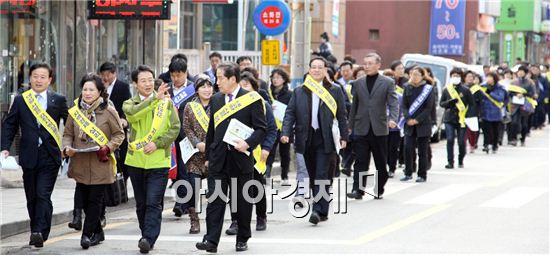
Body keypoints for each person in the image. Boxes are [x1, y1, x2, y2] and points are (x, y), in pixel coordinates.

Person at [196, 62, 266, 253]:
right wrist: (209, 156)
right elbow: (212, 130)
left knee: (242, 201)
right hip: (219, 158)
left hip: (241, 158)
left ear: (232, 79)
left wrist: (248, 144)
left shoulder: (252, 99)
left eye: (220, 78)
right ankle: (211, 240)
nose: (216, 83)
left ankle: (242, 238)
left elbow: (262, 129)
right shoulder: (217, 99)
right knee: (215, 200)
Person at [1, 62, 69, 248]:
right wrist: (5, 146)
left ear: (49, 80)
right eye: (35, 76)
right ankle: (38, 227)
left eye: (42, 77)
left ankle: (38, 232)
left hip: (50, 156)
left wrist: (68, 145)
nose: (38, 80)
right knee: (32, 197)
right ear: (30, 79)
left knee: (42, 194)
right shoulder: (22, 100)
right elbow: (10, 124)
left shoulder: (58, 99)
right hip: (29, 156)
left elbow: (70, 124)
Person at [280, 56, 348, 224]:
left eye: (320, 67)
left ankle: (317, 209)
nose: (317, 70)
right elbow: (290, 113)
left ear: (325, 70)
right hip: (306, 137)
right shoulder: (299, 90)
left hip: (325, 137)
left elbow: (342, 115)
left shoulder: (335, 90)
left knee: (321, 174)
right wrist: (286, 132)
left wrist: (344, 136)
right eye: (313, 67)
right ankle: (323, 209)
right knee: (312, 174)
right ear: (309, 70)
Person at [62, 73, 125, 249]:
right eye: (85, 89)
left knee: (94, 201)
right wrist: (67, 148)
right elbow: (67, 134)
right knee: (84, 198)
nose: (87, 93)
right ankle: (98, 231)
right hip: (80, 163)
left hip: (101, 162)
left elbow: (119, 135)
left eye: (91, 89)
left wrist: (108, 147)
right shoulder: (75, 112)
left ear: (99, 92)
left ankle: (86, 234)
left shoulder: (108, 111)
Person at [123, 65, 180, 253]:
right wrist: (154, 100)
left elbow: (174, 128)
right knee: (141, 203)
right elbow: (134, 115)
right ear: (135, 84)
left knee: (153, 202)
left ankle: (148, 238)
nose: (147, 84)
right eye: (143, 81)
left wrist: (158, 143)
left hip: (159, 161)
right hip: (136, 161)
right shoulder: (129, 104)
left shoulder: (167, 103)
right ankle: (146, 234)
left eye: (150, 79)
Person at [225, 71, 277, 235]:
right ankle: (235, 220)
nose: (244, 90)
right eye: (242, 86)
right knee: (235, 188)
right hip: (235, 150)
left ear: (255, 89)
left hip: (257, 151)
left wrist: (267, 148)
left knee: (256, 186)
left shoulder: (263, 104)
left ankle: (261, 216)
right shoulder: (233, 104)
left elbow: (271, 129)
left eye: (247, 86)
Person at [347, 53, 398, 200]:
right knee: (360, 160)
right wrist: (350, 126)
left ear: (378, 65)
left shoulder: (387, 82)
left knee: (380, 161)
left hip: (379, 128)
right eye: (365, 63)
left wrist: (393, 118)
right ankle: (358, 189)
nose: (367, 66)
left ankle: (379, 187)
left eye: (370, 63)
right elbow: (354, 106)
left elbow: (393, 102)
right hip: (361, 127)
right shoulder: (358, 83)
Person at [181, 74, 214, 234]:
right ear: (196, 90)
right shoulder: (190, 106)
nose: (207, 90)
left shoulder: (218, 104)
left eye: (209, 86)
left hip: (213, 154)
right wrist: (197, 143)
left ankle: (214, 221)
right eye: (203, 87)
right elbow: (186, 127)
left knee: (216, 190)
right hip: (195, 155)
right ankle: (194, 219)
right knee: (193, 187)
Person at [166, 59, 197, 217]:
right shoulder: (166, 91)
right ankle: (182, 201)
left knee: (186, 171)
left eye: (179, 75)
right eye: (173, 75)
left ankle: (183, 203)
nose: (176, 79)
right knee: (175, 170)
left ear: (185, 73)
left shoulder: (194, 90)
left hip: (187, 138)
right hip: (170, 138)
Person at [399, 66, 435, 183]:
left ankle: (422, 174)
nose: (414, 77)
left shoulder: (428, 89)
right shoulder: (407, 87)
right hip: (409, 124)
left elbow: (428, 108)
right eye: (412, 74)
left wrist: (417, 120)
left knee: (422, 151)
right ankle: (408, 172)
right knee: (407, 148)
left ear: (422, 76)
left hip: (423, 124)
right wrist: (408, 118)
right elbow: (404, 105)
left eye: (417, 75)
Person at [440, 68, 474, 169]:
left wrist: (469, 116)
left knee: (461, 141)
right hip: (449, 118)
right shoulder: (447, 90)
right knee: (450, 140)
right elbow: (441, 103)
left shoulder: (466, 90)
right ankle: (450, 161)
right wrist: (449, 102)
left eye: (458, 76)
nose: (455, 78)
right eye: (454, 76)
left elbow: (471, 105)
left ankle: (460, 160)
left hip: (462, 119)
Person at [265, 68, 292, 183]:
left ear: (284, 79)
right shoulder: (267, 93)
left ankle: (284, 176)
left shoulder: (290, 94)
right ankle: (267, 175)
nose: (275, 80)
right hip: (271, 127)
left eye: (278, 78)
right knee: (269, 150)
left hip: (285, 127)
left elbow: (292, 110)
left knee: (284, 152)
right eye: (273, 78)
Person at [507, 65, 536, 146]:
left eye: (522, 72)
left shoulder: (530, 82)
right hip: (515, 105)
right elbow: (509, 93)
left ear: (525, 73)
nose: (520, 73)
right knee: (514, 122)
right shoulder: (513, 82)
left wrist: (523, 95)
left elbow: (532, 93)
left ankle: (523, 139)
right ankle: (514, 139)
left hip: (525, 105)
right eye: (519, 71)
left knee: (524, 123)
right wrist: (515, 95)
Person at [480, 72, 507, 153]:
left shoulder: (500, 88)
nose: (488, 79)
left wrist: (490, 93)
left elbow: (500, 98)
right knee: (486, 129)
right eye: (487, 77)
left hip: (495, 111)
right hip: (485, 111)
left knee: (495, 130)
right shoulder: (482, 87)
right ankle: (486, 144)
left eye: (490, 77)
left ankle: (495, 145)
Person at [464, 71, 483, 153]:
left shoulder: (477, 89)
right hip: (462, 111)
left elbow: (481, 102)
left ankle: (472, 144)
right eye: (468, 76)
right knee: (463, 130)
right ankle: (463, 144)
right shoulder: (461, 87)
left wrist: (479, 112)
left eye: (472, 77)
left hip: (473, 111)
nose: (470, 78)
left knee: (472, 130)